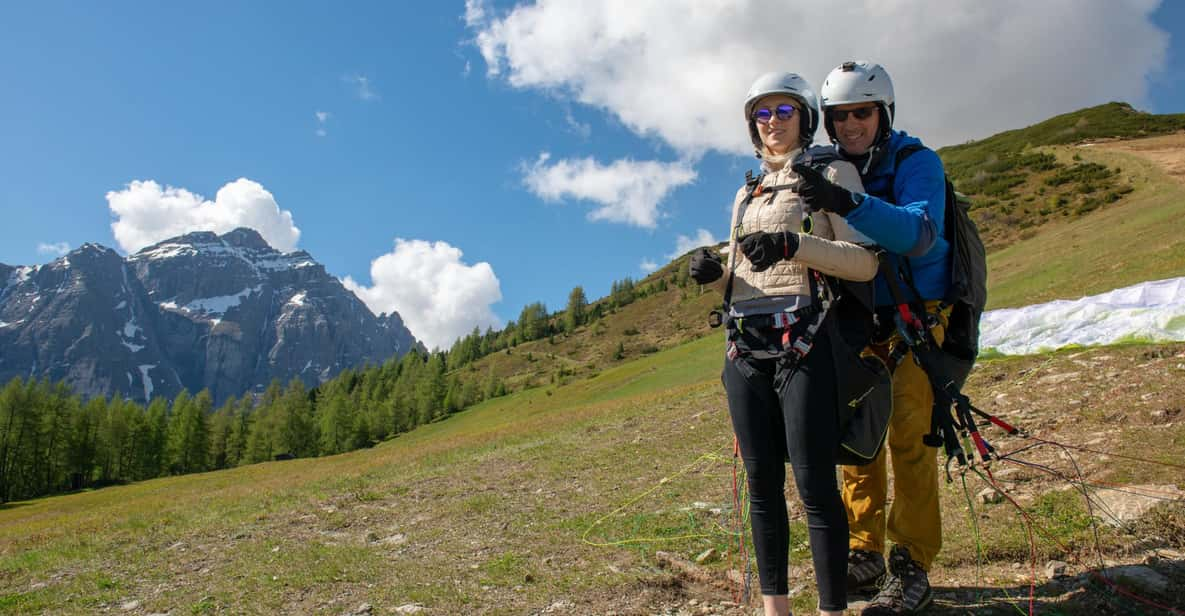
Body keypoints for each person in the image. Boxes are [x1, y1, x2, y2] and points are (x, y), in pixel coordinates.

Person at [688, 71, 878, 616]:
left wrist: (795, 243)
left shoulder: (832, 173)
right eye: (763, 114)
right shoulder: (744, 191)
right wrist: (715, 273)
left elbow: (863, 263)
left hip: (806, 339)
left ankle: (831, 610)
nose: (773, 122)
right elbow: (743, 270)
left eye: (784, 111)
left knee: (815, 484)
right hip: (744, 346)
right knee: (761, 486)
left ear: (804, 117)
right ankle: (776, 609)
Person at [789, 60, 952, 615]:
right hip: (855, 321)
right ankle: (865, 551)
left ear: (884, 113)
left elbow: (920, 233)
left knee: (909, 437)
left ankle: (912, 563)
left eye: (863, 112)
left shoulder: (916, 162)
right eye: (840, 116)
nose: (852, 124)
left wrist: (850, 204)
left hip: (918, 320)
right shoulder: (827, 169)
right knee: (860, 437)